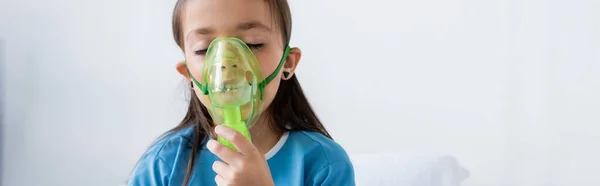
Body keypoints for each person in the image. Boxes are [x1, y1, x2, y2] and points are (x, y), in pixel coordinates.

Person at [127, 0, 355, 185]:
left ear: (288, 63)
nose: (227, 62)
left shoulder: (324, 166)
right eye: (204, 49)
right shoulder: (164, 165)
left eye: (253, 44)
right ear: (187, 74)